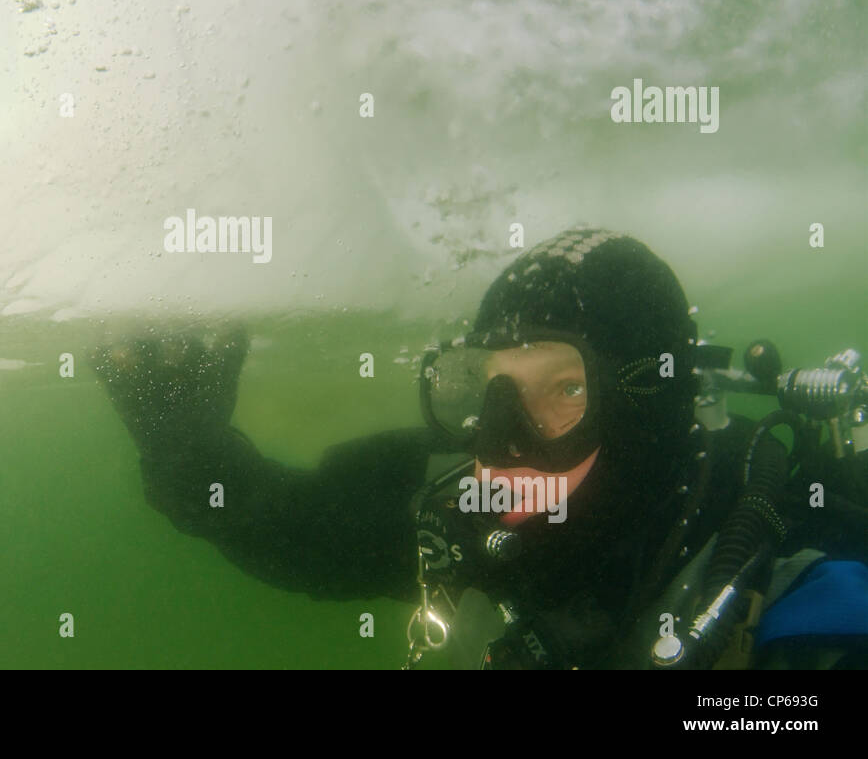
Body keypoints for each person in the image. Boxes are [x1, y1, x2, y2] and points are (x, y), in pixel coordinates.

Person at [93, 227, 868, 669]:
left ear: (646, 404)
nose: (502, 441)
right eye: (484, 387)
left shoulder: (802, 580)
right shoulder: (476, 504)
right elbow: (296, 530)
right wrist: (184, 449)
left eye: (564, 387)